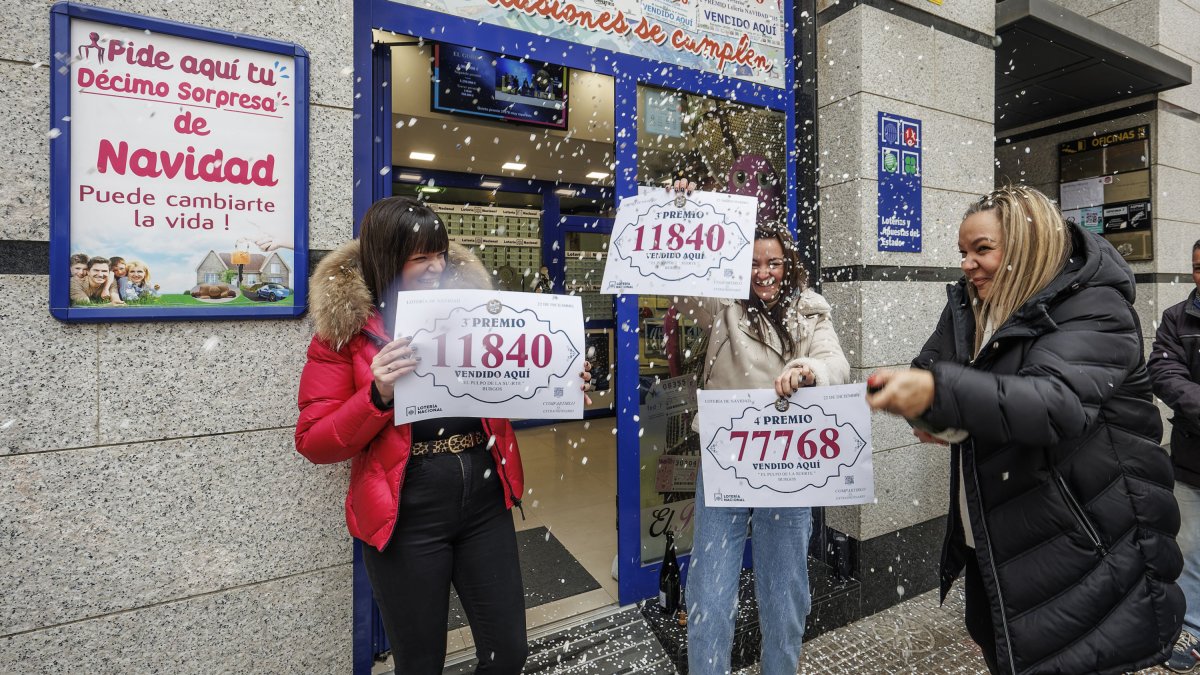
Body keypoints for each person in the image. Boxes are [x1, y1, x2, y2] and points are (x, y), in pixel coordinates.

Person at [866, 185, 1184, 674]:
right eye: (963, 253)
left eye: (982, 249)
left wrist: (939, 396)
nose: (968, 264)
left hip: (1085, 542)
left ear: (1026, 247)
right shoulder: (968, 309)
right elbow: (934, 374)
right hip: (996, 535)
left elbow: (1055, 406)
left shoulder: (1095, 306)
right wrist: (928, 411)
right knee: (999, 645)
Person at [295, 196, 589, 675]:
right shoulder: (343, 334)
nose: (436, 268)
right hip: (405, 510)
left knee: (508, 653)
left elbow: (512, 381)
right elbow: (314, 439)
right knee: (420, 662)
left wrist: (560, 376)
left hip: (485, 497)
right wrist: (377, 395)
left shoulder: (473, 312)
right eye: (420, 258)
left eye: (441, 255)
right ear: (386, 258)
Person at [678, 203, 849, 675]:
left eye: (773, 262)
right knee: (709, 597)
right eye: (753, 263)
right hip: (726, 461)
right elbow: (684, 292)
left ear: (787, 263)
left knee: (784, 597)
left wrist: (808, 369)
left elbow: (836, 363)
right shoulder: (721, 305)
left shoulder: (810, 310)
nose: (763, 273)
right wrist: (687, 215)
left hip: (787, 467)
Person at [1149, 238, 1200, 673]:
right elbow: (1164, 372)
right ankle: (1192, 628)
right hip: (1193, 458)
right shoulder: (1176, 319)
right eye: (1198, 267)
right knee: (1190, 546)